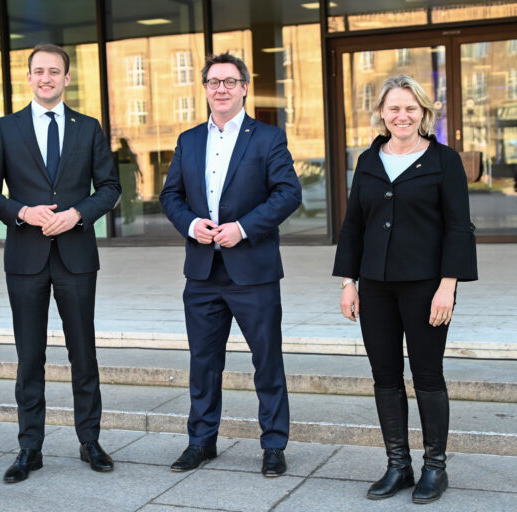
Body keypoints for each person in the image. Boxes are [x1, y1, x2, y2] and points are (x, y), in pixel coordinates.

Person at [0, 43, 121, 483]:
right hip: (25, 258)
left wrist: (78, 214)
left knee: (84, 354)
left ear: (67, 78)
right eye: (39, 71)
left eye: (54, 71)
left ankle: (90, 440)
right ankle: (29, 448)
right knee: (29, 357)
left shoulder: (88, 128)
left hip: (76, 257)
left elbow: (110, 187)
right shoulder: (6, 128)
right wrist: (21, 212)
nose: (46, 78)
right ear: (29, 77)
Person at [333, 74, 477, 504]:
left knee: (428, 376)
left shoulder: (444, 160)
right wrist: (348, 283)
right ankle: (398, 463)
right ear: (381, 113)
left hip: (426, 286)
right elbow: (354, 224)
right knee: (385, 376)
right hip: (374, 287)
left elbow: (458, 227)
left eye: (410, 108)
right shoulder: (368, 160)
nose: (402, 115)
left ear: (424, 113)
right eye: (394, 108)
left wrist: (447, 287)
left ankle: (436, 467)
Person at [160, 52, 301, 477]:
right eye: (213, 82)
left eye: (229, 81)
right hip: (202, 272)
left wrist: (243, 227)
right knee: (203, 363)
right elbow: (171, 196)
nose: (220, 89)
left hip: (252, 271)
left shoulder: (268, 138)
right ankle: (201, 442)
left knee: (267, 361)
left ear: (244, 88)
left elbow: (287, 193)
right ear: (204, 89)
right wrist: (190, 225)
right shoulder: (188, 140)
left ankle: (274, 445)